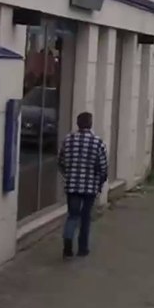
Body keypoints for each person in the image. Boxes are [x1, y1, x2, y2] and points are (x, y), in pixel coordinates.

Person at [57, 111, 109, 258]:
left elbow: (60, 162)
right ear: (91, 124)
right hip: (89, 187)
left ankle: (67, 243)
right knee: (86, 217)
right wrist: (100, 183)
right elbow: (103, 167)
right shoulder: (98, 142)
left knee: (73, 215)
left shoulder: (68, 140)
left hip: (72, 186)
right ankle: (82, 249)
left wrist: (68, 175)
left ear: (77, 124)